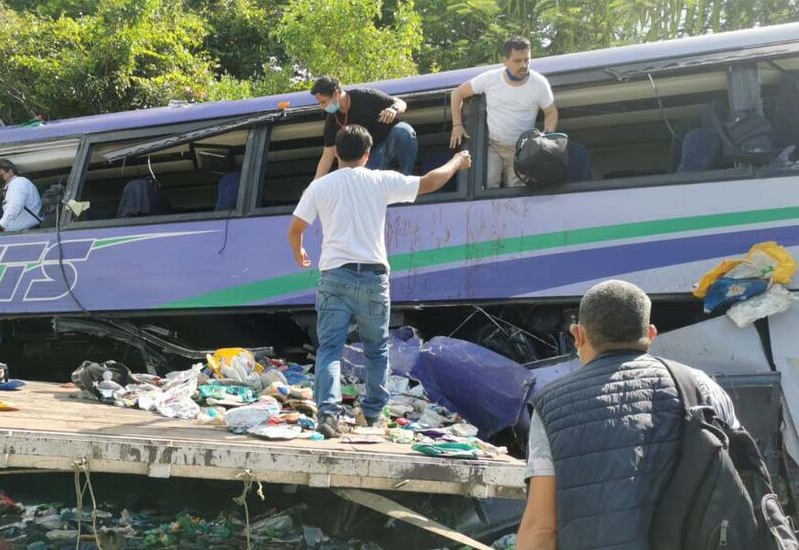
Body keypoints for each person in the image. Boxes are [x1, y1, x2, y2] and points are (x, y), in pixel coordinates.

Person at [517, 280, 740, 550]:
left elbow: (542, 528)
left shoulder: (551, 406)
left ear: (578, 335)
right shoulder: (702, 388)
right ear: (651, 333)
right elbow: (739, 486)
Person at [288, 125, 471, 438]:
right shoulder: (379, 180)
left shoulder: (320, 187)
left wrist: (299, 251)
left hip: (335, 276)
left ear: (336, 154)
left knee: (330, 350)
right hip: (373, 278)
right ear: (368, 153)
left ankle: (328, 415)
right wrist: (456, 162)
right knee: (376, 349)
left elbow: (295, 228)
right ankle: (373, 415)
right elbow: (428, 183)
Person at [450, 36, 558, 188]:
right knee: (486, 187)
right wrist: (457, 125)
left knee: (518, 195)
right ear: (505, 61)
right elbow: (457, 94)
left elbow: (551, 112)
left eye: (527, 60)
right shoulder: (490, 79)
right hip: (494, 146)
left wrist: (546, 136)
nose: (524, 65)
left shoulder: (539, 83)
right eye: (517, 61)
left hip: (522, 150)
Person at [311, 76, 418, 180]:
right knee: (362, 178)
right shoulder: (332, 121)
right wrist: (314, 185)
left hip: (390, 141)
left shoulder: (366, 96)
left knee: (404, 131)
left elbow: (401, 103)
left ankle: (406, 178)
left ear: (335, 94)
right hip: (370, 156)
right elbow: (327, 156)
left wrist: (393, 109)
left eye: (323, 102)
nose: (322, 106)